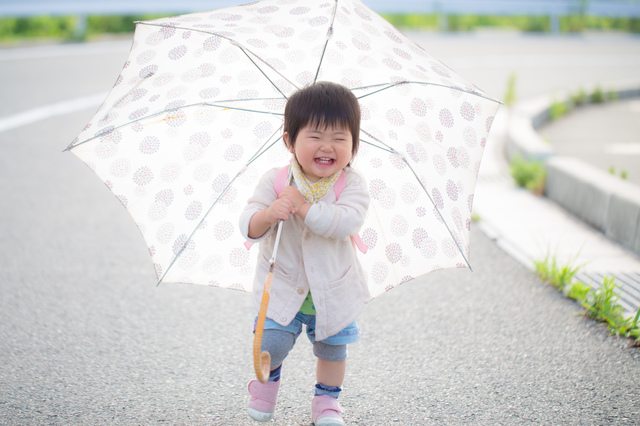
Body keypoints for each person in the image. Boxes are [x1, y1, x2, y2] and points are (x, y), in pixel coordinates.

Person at [239, 81, 370, 425]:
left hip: (333, 289)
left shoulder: (351, 185)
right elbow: (248, 225)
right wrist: (268, 214)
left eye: (340, 138)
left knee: (332, 349)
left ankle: (326, 402)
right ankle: (265, 384)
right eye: (315, 136)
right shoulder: (277, 180)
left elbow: (347, 222)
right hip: (283, 286)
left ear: (354, 145)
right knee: (271, 345)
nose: (327, 146)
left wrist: (305, 208)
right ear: (289, 141)